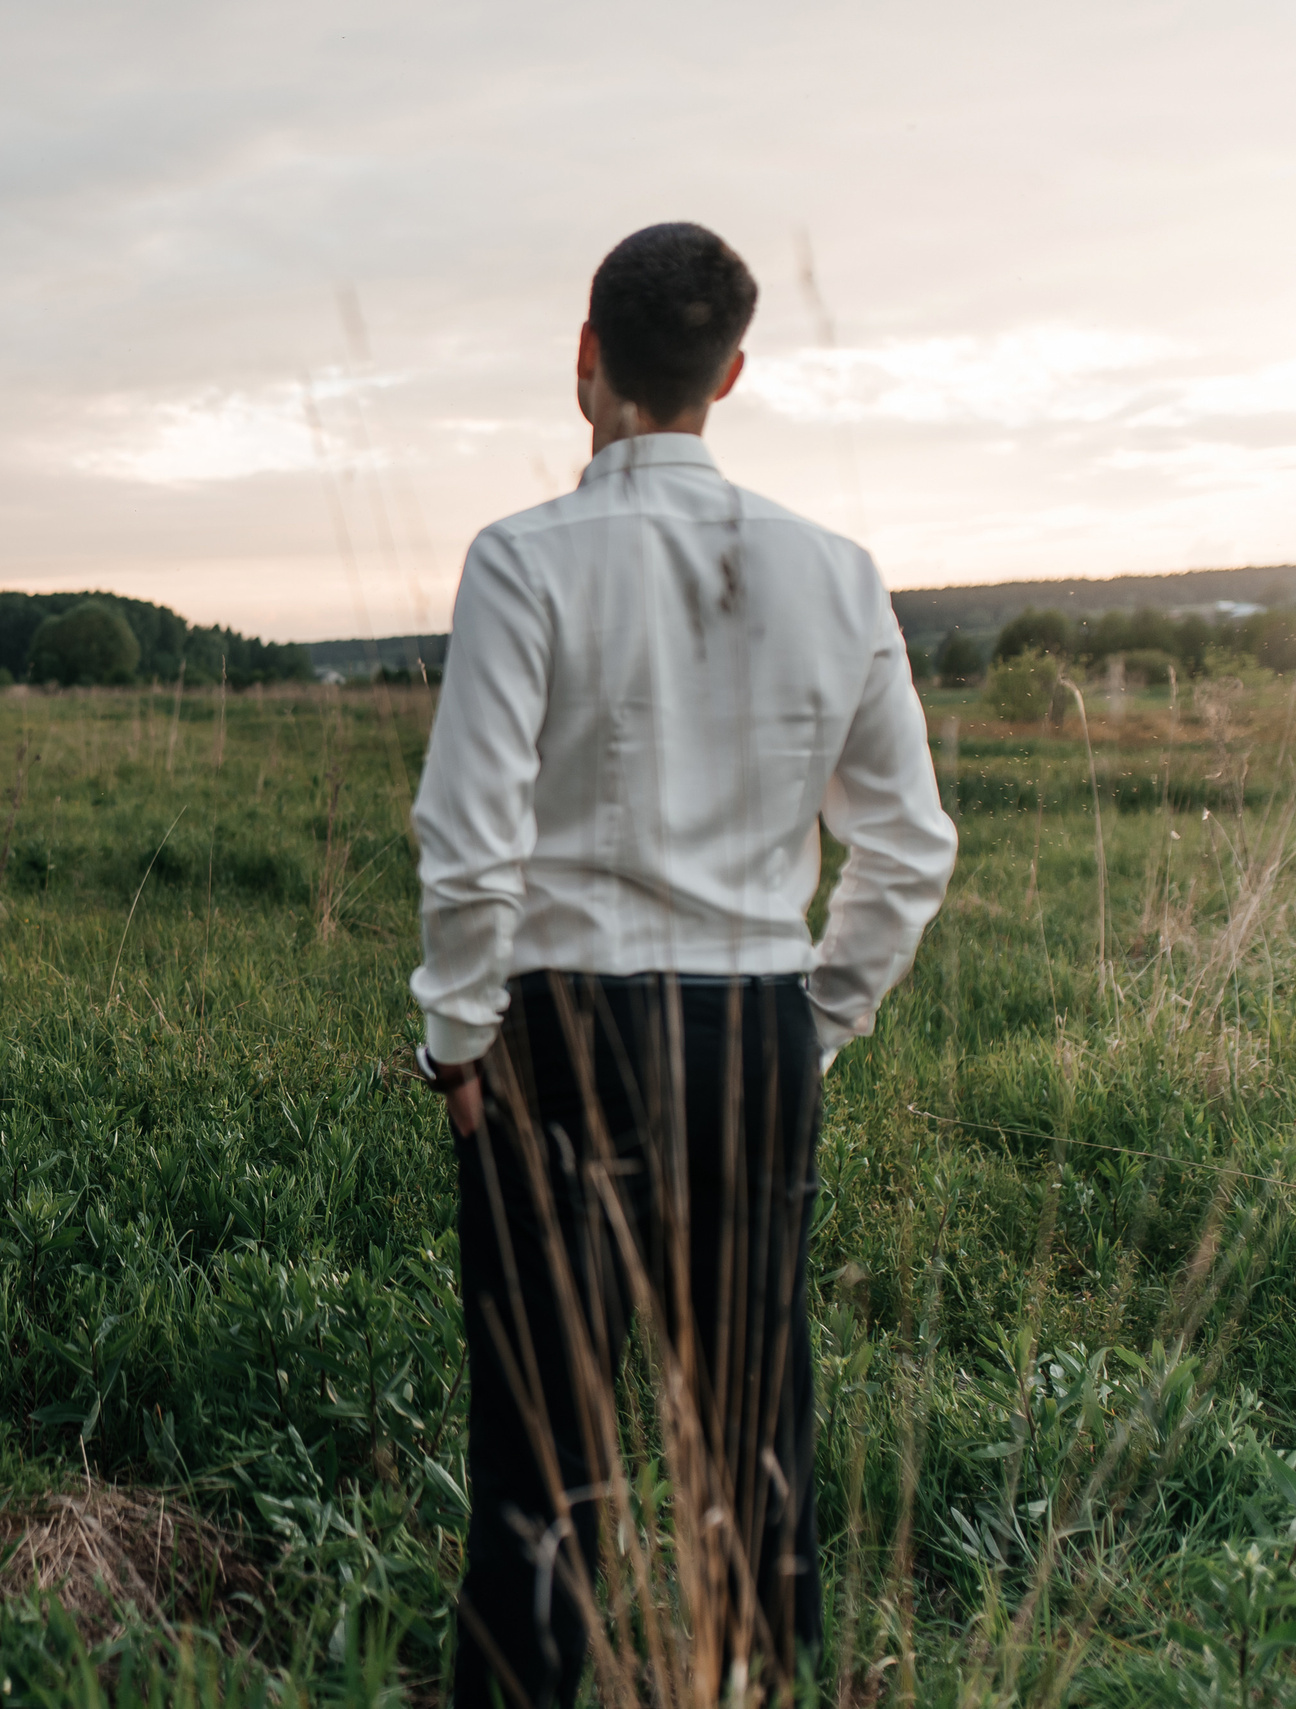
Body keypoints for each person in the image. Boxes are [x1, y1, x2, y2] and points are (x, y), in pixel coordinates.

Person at [408, 224, 957, 1705]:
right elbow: (909, 850)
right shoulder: (840, 574)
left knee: (541, 1463)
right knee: (754, 1439)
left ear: (586, 359)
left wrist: (456, 1039)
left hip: (554, 1034)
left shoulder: (520, 560)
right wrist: (811, 1021)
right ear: (730, 375)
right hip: (752, 1032)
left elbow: (469, 850)